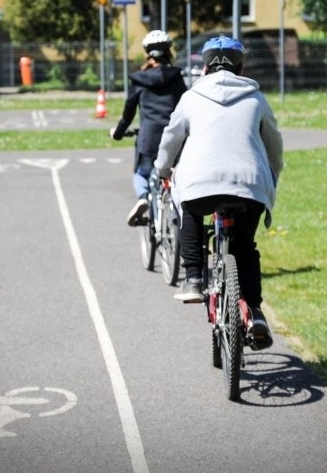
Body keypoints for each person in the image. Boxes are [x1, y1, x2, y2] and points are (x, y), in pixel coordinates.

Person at [154, 34, 284, 350]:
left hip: (199, 183)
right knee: (245, 247)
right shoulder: (256, 98)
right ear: (241, 66)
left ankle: (194, 279)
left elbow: (170, 140)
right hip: (248, 184)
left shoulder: (191, 98)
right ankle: (254, 312)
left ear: (204, 66)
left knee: (189, 211)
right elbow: (274, 147)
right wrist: (272, 177)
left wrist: (162, 171)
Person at [110, 30, 187, 226]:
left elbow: (128, 114)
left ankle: (143, 197)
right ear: (169, 52)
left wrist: (118, 133)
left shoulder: (139, 80)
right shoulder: (176, 77)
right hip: (174, 137)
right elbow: (187, 105)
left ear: (147, 53)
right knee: (177, 173)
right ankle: (181, 211)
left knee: (141, 173)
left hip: (149, 138)